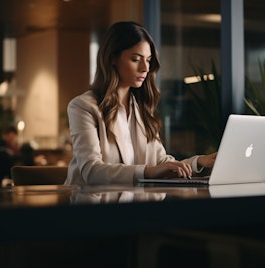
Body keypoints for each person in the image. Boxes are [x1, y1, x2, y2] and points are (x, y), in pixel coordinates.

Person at [64, 21, 217, 185]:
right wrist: (148, 172)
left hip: (136, 203)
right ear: (112, 59)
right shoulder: (83, 106)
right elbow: (91, 170)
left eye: (149, 60)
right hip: (90, 204)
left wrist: (199, 162)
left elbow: (161, 163)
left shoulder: (143, 107)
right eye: (136, 59)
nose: (145, 68)